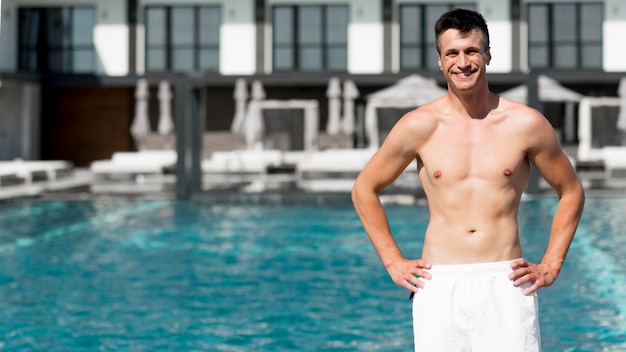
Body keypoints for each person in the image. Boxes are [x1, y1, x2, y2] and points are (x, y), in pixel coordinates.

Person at [351, 8, 585, 352]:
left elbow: (571, 190)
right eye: (453, 53)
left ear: (488, 55)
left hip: (505, 282)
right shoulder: (419, 125)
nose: (463, 62)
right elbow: (363, 189)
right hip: (439, 281)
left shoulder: (525, 124)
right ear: (441, 60)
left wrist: (551, 264)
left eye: (472, 51)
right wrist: (393, 261)